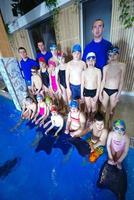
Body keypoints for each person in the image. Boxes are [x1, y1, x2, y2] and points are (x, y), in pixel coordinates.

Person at [99, 46, 126, 117]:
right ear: (108, 56)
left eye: (115, 54)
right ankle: (103, 121)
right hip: (105, 90)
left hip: (115, 91)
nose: (113, 57)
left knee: (112, 109)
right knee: (103, 109)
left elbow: (121, 81)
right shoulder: (105, 67)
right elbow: (103, 81)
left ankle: (109, 122)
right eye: (110, 55)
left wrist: (119, 94)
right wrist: (100, 93)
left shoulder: (122, 66)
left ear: (118, 54)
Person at [81, 52, 101, 118]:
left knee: (94, 107)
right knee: (88, 107)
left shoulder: (98, 71)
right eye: (89, 60)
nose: (91, 62)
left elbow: (99, 84)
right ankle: (89, 118)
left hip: (94, 91)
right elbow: (82, 84)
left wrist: (97, 95)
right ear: (86, 62)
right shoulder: (84, 72)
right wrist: (82, 95)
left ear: (95, 61)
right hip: (86, 91)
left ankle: (93, 118)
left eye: (93, 60)